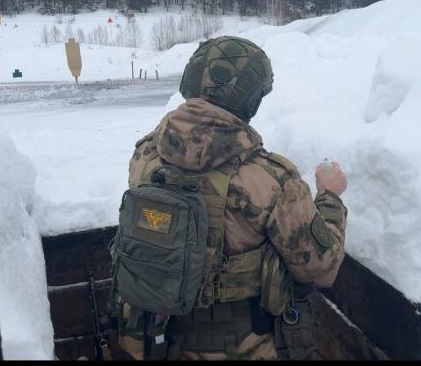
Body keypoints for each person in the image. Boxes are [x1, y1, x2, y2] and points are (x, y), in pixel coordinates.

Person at [114, 36, 348, 360]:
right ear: (250, 102)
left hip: (155, 339)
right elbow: (320, 268)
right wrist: (330, 197)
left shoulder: (146, 155)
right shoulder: (270, 180)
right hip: (238, 347)